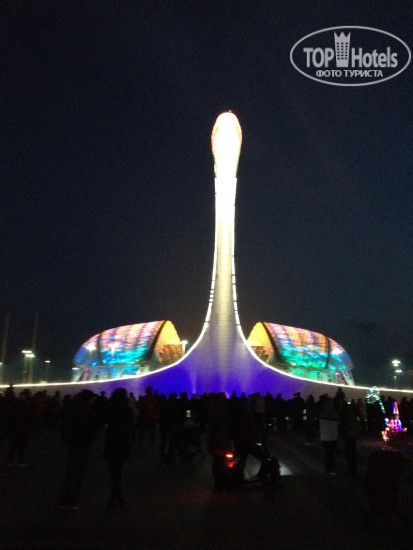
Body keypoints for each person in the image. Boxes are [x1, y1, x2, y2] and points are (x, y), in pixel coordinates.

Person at [59, 390, 96, 509]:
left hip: (71, 444)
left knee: (70, 472)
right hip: (83, 446)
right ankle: (73, 501)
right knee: (79, 474)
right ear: (88, 399)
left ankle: (63, 500)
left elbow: (64, 426)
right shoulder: (88, 412)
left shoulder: (72, 410)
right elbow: (91, 432)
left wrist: (66, 440)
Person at [104, 388, 134, 508]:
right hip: (122, 441)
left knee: (113, 470)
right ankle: (117, 495)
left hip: (111, 441)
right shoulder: (127, 409)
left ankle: (115, 494)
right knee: (119, 470)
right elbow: (131, 424)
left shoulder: (110, 409)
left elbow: (104, 420)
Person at [318, 395, 340, 475]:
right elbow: (338, 424)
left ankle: (328, 467)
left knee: (328, 453)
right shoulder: (335, 414)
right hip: (333, 436)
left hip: (324, 436)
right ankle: (331, 468)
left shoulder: (321, 413)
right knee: (331, 453)